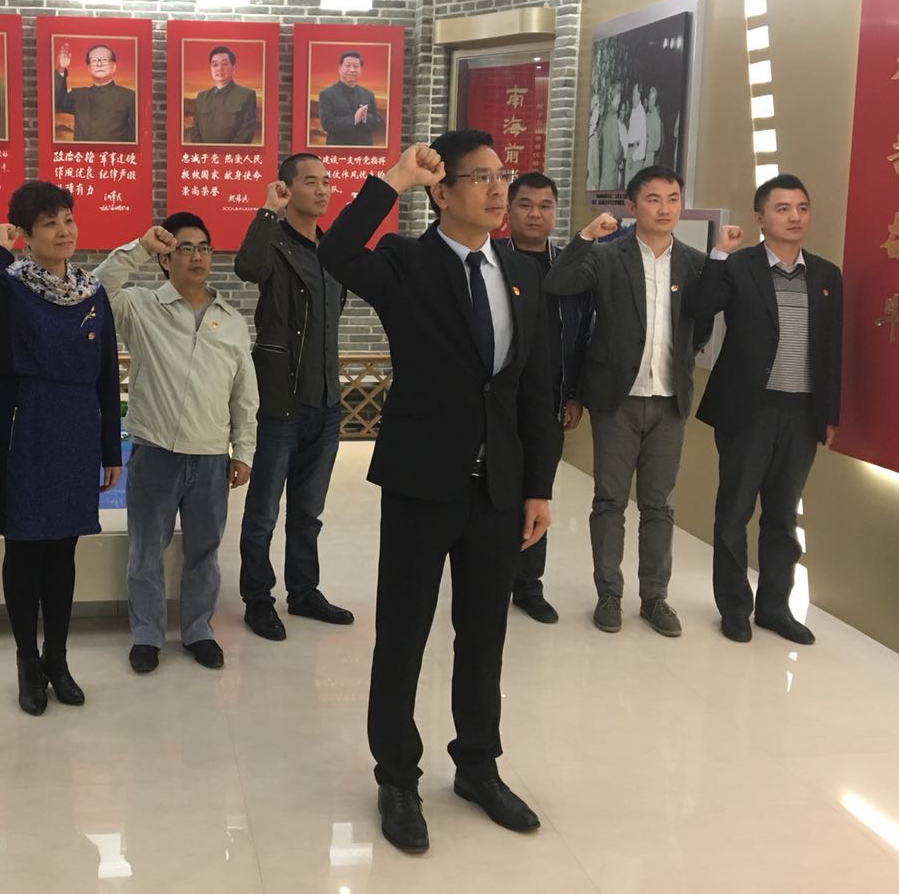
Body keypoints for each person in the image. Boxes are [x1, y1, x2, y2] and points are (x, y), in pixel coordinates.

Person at [318, 131, 562, 854]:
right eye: (480, 177)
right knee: (403, 634)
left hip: (499, 489)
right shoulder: (407, 262)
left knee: (484, 636)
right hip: (423, 482)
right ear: (443, 191)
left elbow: (535, 388)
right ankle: (397, 777)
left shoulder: (522, 272)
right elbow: (338, 253)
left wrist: (539, 487)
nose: (498, 189)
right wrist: (392, 179)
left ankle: (478, 767)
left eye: (501, 175)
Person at [0, 181, 123, 714]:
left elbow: (107, 374)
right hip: (24, 425)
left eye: (68, 219)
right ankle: (27, 660)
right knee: (24, 549)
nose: (64, 230)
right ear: (25, 234)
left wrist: (110, 449)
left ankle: (57, 659)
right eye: (49, 223)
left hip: (76, 428)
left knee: (63, 550)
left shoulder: (92, 292)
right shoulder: (8, 286)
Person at [545, 165, 712, 639]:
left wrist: (681, 360)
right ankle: (609, 594)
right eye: (653, 199)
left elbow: (700, 326)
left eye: (673, 199)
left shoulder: (694, 263)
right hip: (616, 399)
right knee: (610, 500)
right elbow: (558, 283)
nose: (665, 208)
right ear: (633, 205)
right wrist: (584, 236)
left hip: (669, 400)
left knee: (659, 505)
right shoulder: (606, 255)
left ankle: (655, 597)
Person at [94, 213, 258, 674]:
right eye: (186, 248)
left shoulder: (231, 321)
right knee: (146, 550)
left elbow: (244, 393)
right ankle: (147, 635)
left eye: (204, 247)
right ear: (166, 259)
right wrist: (141, 247)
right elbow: (99, 288)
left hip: (211, 457)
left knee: (204, 551)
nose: (197, 257)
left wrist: (244, 451)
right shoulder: (142, 307)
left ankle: (198, 630)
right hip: (156, 453)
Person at [683, 173, 842, 645]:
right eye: (782, 208)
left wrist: (829, 413)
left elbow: (832, 349)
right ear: (760, 217)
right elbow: (700, 307)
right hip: (747, 410)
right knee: (734, 513)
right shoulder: (739, 266)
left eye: (802, 208)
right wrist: (718, 254)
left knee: (783, 517)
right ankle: (734, 608)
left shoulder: (826, 275)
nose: (795, 217)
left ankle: (775, 608)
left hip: (801, 413)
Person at [233, 153, 352, 642]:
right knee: (263, 512)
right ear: (287, 188)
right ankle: (257, 599)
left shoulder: (333, 250)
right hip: (281, 401)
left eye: (327, 182)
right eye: (310, 182)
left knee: (309, 512)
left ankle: (303, 591)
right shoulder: (275, 244)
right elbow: (247, 267)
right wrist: (268, 212)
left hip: (326, 402)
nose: (322, 190)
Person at [499, 171, 593, 624]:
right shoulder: (492, 259)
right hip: (498, 400)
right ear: (508, 210)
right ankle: (491, 577)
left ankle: (528, 585)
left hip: (550, 399)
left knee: (538, 490)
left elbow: (584, 335)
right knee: (495, 492)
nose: (535, 214)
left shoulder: (571, 268)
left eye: (545, 206)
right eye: (525, 205)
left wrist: (574, 394)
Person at [54, 42, 136, 142]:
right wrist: (60, 69)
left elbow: (134, 137)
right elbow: (57, 102)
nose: (99, 64)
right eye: (94, 60)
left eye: (104, 60)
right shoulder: (78, 95)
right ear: (89, 68)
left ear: (114, 66)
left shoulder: (130, 97)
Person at [188, 44, 259, 145]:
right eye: (215, 64)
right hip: (203, 154)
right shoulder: (201, 97)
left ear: (233, 68)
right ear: (210, 68)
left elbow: (246, 133)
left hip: (233, 154)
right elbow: (195, 131)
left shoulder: (246, 95)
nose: (219, 68)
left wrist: (225, 152)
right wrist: (203, 150)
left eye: (224, 64)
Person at [317, 50, 386, 147]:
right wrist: (354, 119)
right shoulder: (326, 94)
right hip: (337, 150)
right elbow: (327, 124)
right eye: (348, 65)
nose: (352, 70)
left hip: (365, 151)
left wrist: (365, 117)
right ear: (340, 68)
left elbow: (378, 122)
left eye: (356, 66)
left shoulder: (368, 94)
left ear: (360, 70)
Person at [623, 82, 648, 172]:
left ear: (639, 95)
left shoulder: (641, 113)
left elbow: (643, 140)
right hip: (630, 151)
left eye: (634, 94)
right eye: (633, 94)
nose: (632, 98)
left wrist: (633, 157)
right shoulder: (634, 111)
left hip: (635, 154)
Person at [643, 86, 664, 169]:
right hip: (641, 156)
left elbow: (657, 144)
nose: (649, 103)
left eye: (651, 100)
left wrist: (647, 142)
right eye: (649, 100)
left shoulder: (657, 120)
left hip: (649, 158)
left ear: (655, 101)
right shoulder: (647, 115)